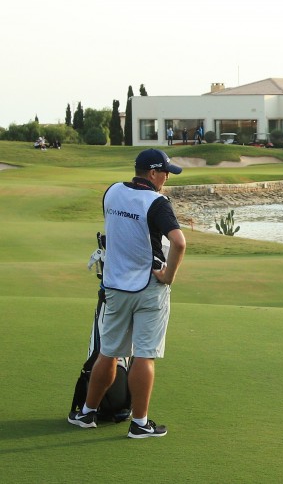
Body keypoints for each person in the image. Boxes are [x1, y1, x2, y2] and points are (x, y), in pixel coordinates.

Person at [68, 149, 186, 439]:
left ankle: (86, 413)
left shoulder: (112, 192)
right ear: (152, 173)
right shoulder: (158, 203)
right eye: (165, 171)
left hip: (116, 287)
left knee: (108, 354)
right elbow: (179, 243)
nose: (167, 176)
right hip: (148, 288)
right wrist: (168, 276)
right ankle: (140, 423)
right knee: (144, 356)